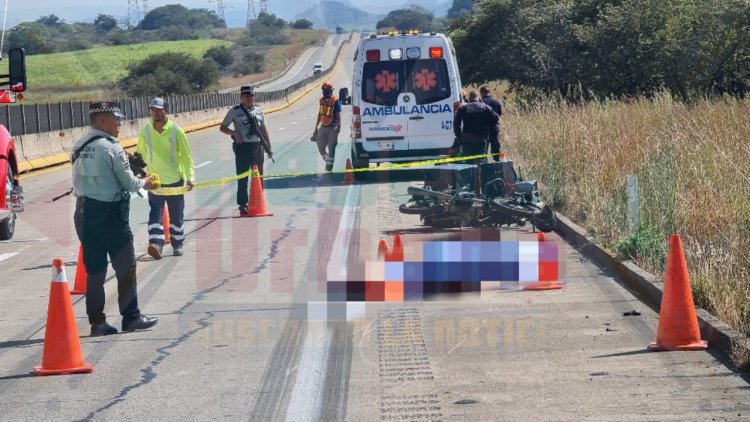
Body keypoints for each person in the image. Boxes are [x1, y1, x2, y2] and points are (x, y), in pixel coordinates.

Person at [71, 101, 159, 336]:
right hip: (110, 215)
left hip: (83, 213)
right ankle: (131, 318)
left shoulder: (79, 144)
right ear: (102, 120)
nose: (120, 123)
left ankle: (97, 323)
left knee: (95, 271)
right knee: (126, 268)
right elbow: (130, 184)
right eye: (116, 119)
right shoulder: (112, 148)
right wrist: (145, 182)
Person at [137, 97, 195, 260]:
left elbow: (186, 156)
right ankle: (156, 244)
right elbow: (140, 153)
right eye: (152, 110)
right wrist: (140, 173)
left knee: (176, 215)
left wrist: (190, 177)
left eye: (158, 109)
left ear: (166, 111)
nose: (154, 113)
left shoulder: (176, 130)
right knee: (155, 212)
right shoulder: (146, 131)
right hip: (155, 181)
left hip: (175, 180)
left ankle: (177, 244)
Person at [219, 85, 272, 215]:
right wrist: (234, 133)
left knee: (259, 176)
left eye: (251, 96)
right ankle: (243, 204)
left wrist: (268, 145)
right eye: (246, 96)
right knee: (242, 177)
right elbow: (222, 127)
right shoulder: (234, 111)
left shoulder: (258, 110)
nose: (249, 98)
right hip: (242, 147)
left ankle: (258, 201)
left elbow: (263, 129)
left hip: (257, 146)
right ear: (241, 97)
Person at [453, 91, 500, 163]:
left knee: (468, 163)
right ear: (479, 98)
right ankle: (480, 174)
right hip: (481, 139)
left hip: (467, 139)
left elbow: (456, 123)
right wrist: (488, 127)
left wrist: (459, 135)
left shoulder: (463, 108)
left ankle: (469, 174)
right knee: (481, 162)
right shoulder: (485, 107)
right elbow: (496, 118)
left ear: (469, 98)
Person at [313, 81, 341, 172]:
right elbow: (320, 113)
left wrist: (338, 126)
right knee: (320, 145)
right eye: (324, 90)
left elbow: (338, 113)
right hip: (323, 127)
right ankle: (327, 159)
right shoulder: (321, 101)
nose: (326, 91)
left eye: (327, 90)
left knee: (331, 146)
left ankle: (329, 167)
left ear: (331, 91)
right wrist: (316, 127)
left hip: (333, 127)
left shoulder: (335, 101)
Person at [480, 86, 503, 161]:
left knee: (483, 147)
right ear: (489, 92)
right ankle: (497, 161)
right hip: (494, 127)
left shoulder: (481, 102)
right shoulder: (496, 102)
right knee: (495, 146)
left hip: (483, 128)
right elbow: (499, 114)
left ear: (482, 93)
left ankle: (484, 163)